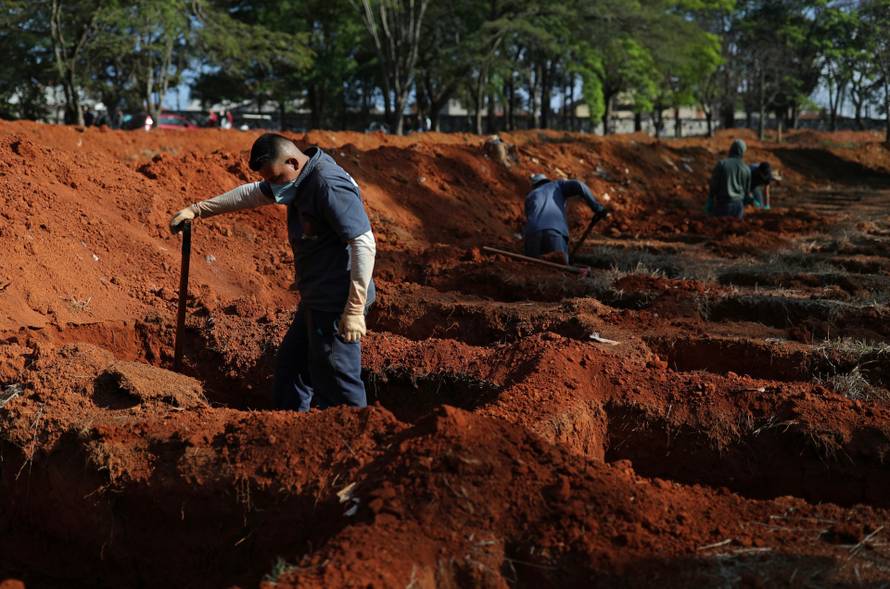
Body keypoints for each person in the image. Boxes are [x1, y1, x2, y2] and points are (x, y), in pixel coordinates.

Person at [168, 133, 376, 411]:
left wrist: (354, 309)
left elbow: (363, 242)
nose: (274, 188)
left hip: (338, 300)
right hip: (316, 296)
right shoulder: (297, 178)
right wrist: (197, 210)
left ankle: (353, 433)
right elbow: (251, 193)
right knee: (291, 370)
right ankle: (286, 428)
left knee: (338, 383)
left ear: (292, 162)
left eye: (276, 178)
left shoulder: (327, 184)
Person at [523, 174, 607, 264]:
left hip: (532, 234)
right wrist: (597, 208)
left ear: (534, 186)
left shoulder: (530, 196)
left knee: (532, 265)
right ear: (547, 181)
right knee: (560, 265)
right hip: (555, 230)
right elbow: (580, 185)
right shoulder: (556, 185)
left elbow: (529, 218)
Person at [706, 139, 751, 219]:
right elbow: (746, 191)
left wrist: (710, 199)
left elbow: (714, 184)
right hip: (738, 206)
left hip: (723, 205)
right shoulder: (746, 168)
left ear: (731, 149)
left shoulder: (722, 164)